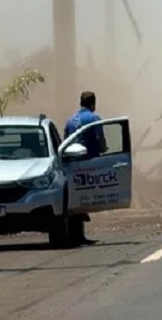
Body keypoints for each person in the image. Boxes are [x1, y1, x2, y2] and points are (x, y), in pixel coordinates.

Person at [63, 91, 105, 245]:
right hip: (90, 165)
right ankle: (78, 235)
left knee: (76, 199)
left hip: (71, 166)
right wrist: (104, 149)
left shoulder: (70, 121)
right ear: (93, 103)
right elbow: (101, 140)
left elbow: (64, 143)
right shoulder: (94, 119)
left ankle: (77, 235)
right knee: (85, 199)